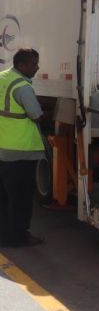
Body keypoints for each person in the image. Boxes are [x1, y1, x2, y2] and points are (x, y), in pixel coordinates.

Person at [0, 48, 45, 247]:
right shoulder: (22, 87)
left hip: (2, 147)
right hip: (20, 150)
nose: (37, 68)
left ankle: (4, 234)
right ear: (22, 65)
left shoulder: (3, 77)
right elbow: (36, 114)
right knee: (21, 198)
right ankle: (19, 237)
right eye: (34, 64)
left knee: (4, 196)